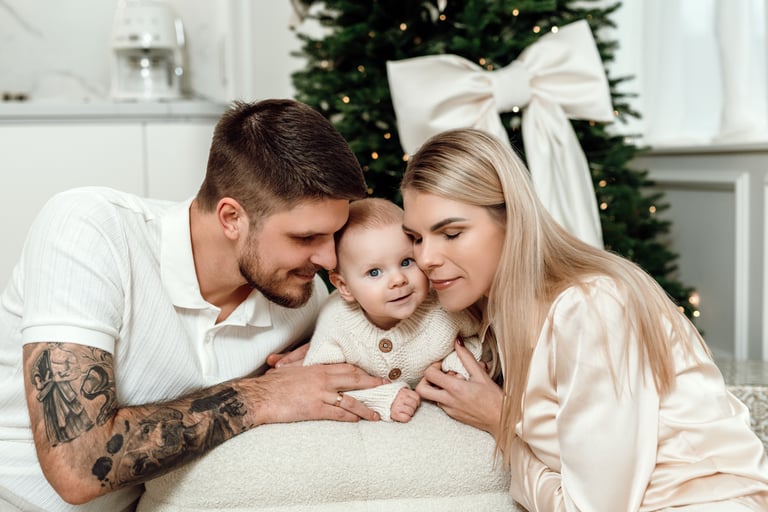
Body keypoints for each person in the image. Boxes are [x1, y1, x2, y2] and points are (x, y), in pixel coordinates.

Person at [0, 98, 385, 512]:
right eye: (305, 238)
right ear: (231, 218)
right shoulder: (92, 230)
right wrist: (261, 397)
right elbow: (77, 467)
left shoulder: (304, 301)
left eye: (334, 235)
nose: (328, 259)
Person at [400, 128, 768, 511]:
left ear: (512, 220)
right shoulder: (495, 313)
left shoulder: (592, 307)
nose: (426, 258)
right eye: (416, 238)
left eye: (451, 233)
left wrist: (501, 423)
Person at [302, 198, 483, 422]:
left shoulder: (445, 309)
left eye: (407, 262)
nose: (398, 280)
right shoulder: (335, 321)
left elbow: (478, 339)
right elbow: (323, 383)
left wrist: (456, 369)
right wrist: (383, 398)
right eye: (375, 272)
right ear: (344, 287)